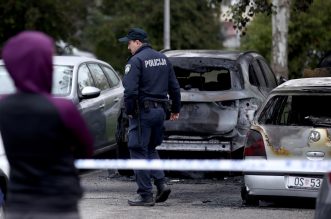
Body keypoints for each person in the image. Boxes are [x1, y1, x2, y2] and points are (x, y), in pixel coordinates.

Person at [0, 31, 93, 218]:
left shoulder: (3, 106)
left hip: (19, 204)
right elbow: (86, 149)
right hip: (59, 203)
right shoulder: (62, 108)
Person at [118, 27, 181, 206]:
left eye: (129, 43)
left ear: (137, 42)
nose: (128, 47)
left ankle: (145, 195)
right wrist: (175, 109)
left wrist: (129, 110)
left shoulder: (136, 61)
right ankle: (161, 184)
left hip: (142, 113)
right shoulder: (163, 59)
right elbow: (174, 87)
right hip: (160, 112)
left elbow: (130, 91)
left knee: (137, 150)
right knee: (150, 148)